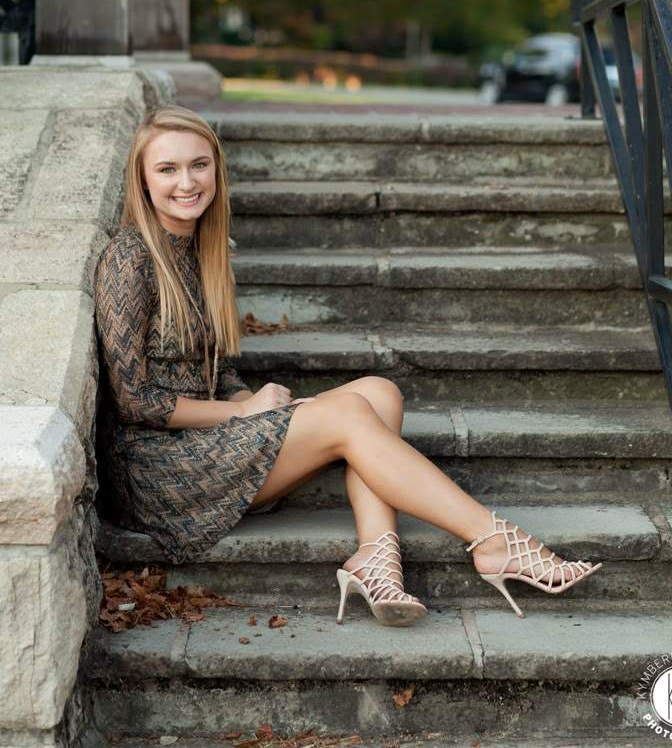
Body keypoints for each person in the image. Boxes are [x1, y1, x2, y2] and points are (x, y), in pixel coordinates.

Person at [94, 105, 601, 628]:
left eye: (199, 165)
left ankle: (376, 560)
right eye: (168, 169)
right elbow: (134, 402)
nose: (187, 181)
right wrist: (239, 415)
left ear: (217, 170)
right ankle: (494, 541)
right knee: (348, 415)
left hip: (208, 448)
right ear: (143, 180)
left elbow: (213, 370)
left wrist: (247, 399)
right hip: (158, 474)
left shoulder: (200, 249)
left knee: (380, 393)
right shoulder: (129, 259)